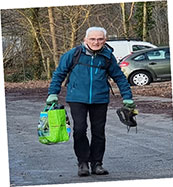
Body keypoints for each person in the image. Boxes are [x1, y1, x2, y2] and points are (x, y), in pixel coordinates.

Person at [46, 27, 135, 176]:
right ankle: (83, 163)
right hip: (77, 98)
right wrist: (53, 93)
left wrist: (127, 97)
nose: (96, 42)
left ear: (105, 40)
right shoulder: (73, 54)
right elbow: (59, 74)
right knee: (79, 130)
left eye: (100, 39)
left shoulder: (107, 57)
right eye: (92, 39)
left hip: (100, 99)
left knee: (98, 132)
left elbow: (119, 77)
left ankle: (97, 164)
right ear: (85, 39)